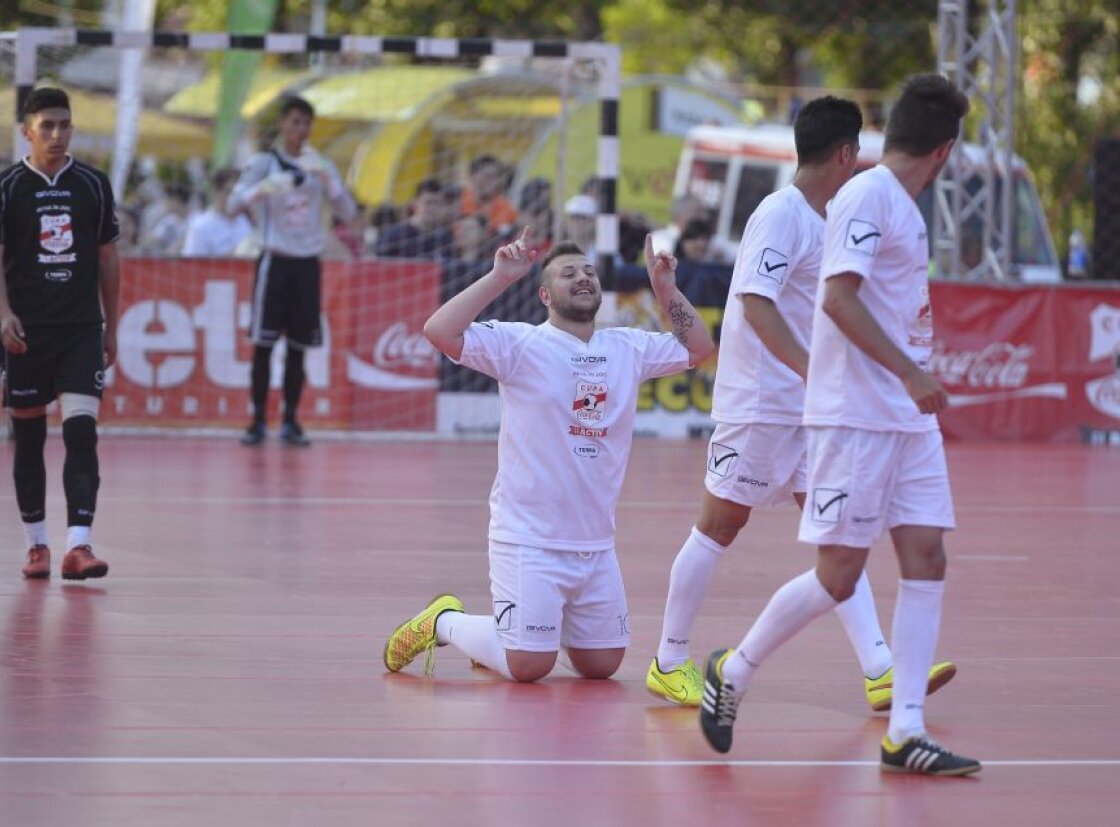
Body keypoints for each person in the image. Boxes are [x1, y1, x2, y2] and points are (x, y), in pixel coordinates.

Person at [699, 75, 980, 776]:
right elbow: (838, 299)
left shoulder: (903, 209)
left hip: (906, 422)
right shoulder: (866, 196)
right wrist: (910, 373)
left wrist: (911, 380)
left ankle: (905, 730)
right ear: (945, 151)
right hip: (854, 418)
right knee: (837, 575)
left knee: (927, 557)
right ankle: (733, 669)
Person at [648, 96, 956, 712]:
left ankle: (880, 668)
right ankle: (669, 661)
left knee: (841, 536)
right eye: (858, 152)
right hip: (762, 403)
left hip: (812, 411)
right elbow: (755, 302)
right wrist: (814, 370)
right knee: (719, 526)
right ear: (845, 153)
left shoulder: (832, 216)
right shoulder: (781, 213)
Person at [384, 230, 713, 683]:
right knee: (528, 667)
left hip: (595, 544)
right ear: (544, 295)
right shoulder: (519, 345)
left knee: (602, 665)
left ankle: (509, 633)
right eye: (568, 273)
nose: (583, 278)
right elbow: (438, 331)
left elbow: (699, 348)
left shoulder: (627, 348)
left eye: (589, 271)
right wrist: (500, 277)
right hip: (528, 539)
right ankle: (445, 622)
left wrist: (665, 289)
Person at [0, 87, 120, 581]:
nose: (57, 135)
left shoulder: (93, 184)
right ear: (27, 132)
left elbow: (108, 258)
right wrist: (4, 314)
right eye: (47, 126)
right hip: (27, 333)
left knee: (81, 433)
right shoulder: (6, 187)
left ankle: (79, 545)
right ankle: (36, 544)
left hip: (80, 330)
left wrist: (111, 324)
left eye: (64, 125)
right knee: (30, 438)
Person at [229, 95, 356, 447]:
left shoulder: (320, 164)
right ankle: (257, 421)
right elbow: (232, 204)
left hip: (307, 264)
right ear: (282, 124)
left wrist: (329, 182)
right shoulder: (262, 163)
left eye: (306, 123)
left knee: (299, 346)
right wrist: (265, 188)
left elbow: (348, 212)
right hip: (275, 259)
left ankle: (291, 420)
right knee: (264, 345)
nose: (301, 129)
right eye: (295, 121)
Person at [374, 178, 453, 259]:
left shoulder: (444, 238)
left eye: (437, 203)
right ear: (415, 204)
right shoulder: (394, 235)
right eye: (428, 203)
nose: (433, 208)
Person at [182, 169, 252, 257]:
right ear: (216, 192)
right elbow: (193, 262)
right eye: (229, 192)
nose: (235, 198)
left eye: (238, 193)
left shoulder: (247, 222)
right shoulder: (200, 226)